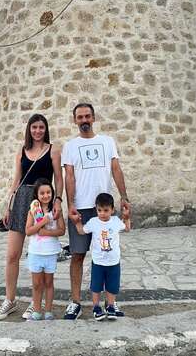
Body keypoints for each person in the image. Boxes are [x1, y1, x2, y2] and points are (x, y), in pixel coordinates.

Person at [62, 103, 131, 320]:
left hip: (104, 207)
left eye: (87, 116)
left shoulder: (107, 142)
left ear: (93, 118)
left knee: (108, 254)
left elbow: (116, 169)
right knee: (78, 255)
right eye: (80, 117)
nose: (84, 120)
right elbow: (69, 176)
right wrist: (70, 204)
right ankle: (75, 302)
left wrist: (124, 197)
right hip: (81, 207)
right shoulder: (70, 146)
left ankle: (110, 302)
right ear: (75, 120)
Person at [0, 114, 63, 321]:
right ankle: (10, 300)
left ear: (45, 129)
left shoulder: (53, 150)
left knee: (40, 256)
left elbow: (58, 178)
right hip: (22, 200)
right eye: (34, 127)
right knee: (12, 255)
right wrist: (8, 206)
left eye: (41, 127)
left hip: (42, 203)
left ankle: (36, 303)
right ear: (29, 129)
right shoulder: (21, 151)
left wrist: (58, 200)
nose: (38, 131)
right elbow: (16, 180)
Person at [72, 193, 130, 320]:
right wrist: (76, 222)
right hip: (98, 261)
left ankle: (110, 306)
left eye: (106, 210)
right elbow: (82, 231)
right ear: (96, 209)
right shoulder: (93, 222)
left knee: (112, 286)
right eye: (99, 210)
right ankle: (96, 307)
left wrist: (126, 217)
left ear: (112, 210)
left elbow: (127, 228)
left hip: (113, 261)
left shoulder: (115, 221)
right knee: (96, 286)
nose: (102, 213)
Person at [25, 178, 65, 320]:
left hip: (50, 253)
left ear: (52, 193)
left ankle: (48, 310)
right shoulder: (33, 211)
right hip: (36, 253)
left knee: (49, 283)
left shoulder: (56, 211)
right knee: (36, 284)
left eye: (48, 192)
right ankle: (36, 310)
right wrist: (43, 222)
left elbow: (62, 230)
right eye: (42, 193)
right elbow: (29, 231)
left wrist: (47, 232)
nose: (46, 195)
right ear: (37, 195)